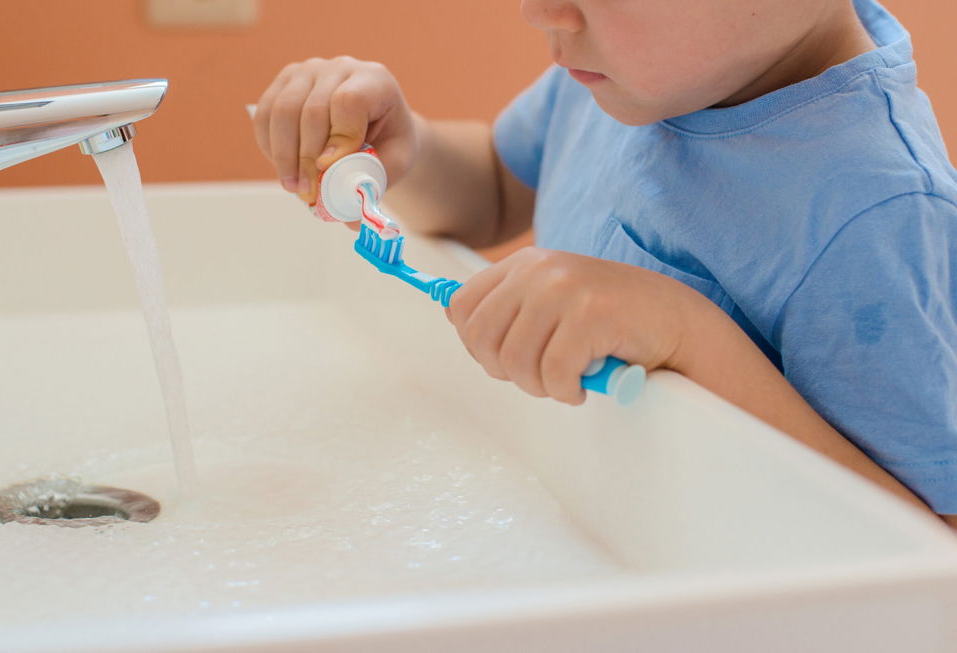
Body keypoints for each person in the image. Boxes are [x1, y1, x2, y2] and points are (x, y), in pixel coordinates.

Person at [250, 0, 957, 526]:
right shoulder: (632, 77)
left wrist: (689, 336)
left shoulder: (876, 212)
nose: (538, 10)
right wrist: (407, 146)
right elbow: (499, 186)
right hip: (586, 531)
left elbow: (928, 557)